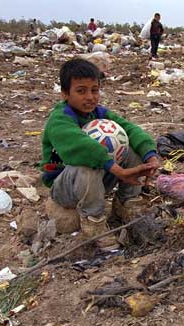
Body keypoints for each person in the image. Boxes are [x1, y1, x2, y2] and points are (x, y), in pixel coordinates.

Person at [40, 59, 160, 250]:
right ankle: (93, 221)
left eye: (94, 90)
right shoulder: (59, 119)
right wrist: (117, 171)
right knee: (88, 164)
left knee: (130, 146)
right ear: (65, 94)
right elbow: (82, 147)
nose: (90, 97)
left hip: (98, 181)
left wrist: (150, 155)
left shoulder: (100, 113)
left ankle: (126, 202)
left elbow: (129, 129)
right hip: (64, 187)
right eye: (81, 91)